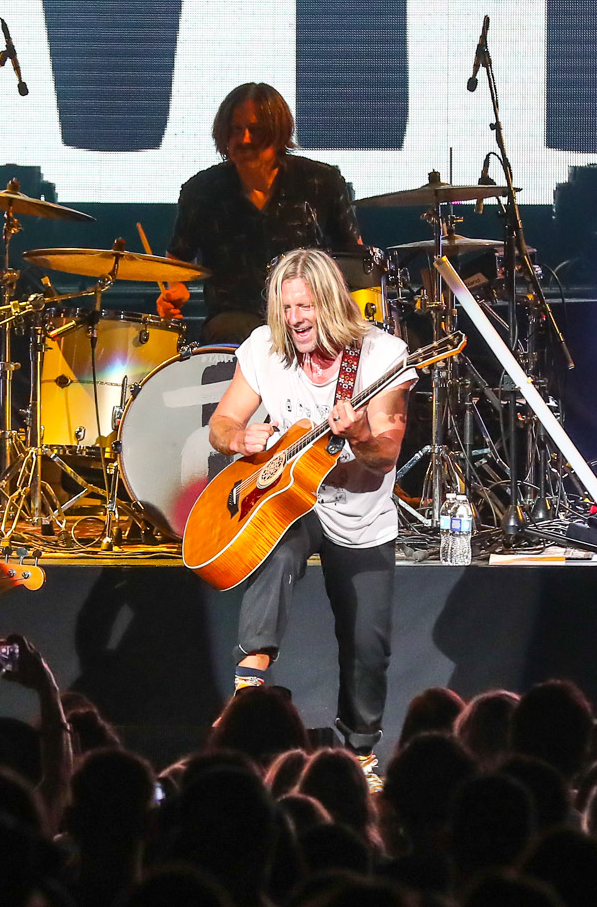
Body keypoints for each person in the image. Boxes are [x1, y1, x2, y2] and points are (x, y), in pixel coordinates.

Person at [206, 248, 417, 788]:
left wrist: (360, 434)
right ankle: (249, 686)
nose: (295, 318)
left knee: (367, 644)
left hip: (360, 511)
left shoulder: (380, 355)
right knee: (273, 551)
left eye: (305, 306)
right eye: (286, 307)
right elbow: (223, 422)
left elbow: (386, 453)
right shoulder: (263, 347)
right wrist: (240, 438)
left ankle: (361, 754)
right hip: (293, 500)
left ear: (330, 302)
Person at [158, 82, 366, 344]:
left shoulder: (321, 182)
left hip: (310, 313)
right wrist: (175, 289)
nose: (244, 139)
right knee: (231, 331)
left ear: (278, 132)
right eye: (235, 130)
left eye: (255, 131)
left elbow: (354, 257)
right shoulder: (201, 190)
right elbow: (177, 258)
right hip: (233, 319)